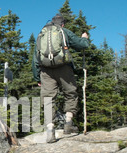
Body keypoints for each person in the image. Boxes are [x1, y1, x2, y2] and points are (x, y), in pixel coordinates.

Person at [32, 14, 90, 143]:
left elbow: (35, 57)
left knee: (48, 99)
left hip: (45, 70)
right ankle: (68, 122)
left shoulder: (42, 34)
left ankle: (50, 130)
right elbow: (82, 45)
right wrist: (84, 38)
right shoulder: (64, 31)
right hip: (64, 67)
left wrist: (37, 78)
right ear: (62, 24)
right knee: (70, 93)